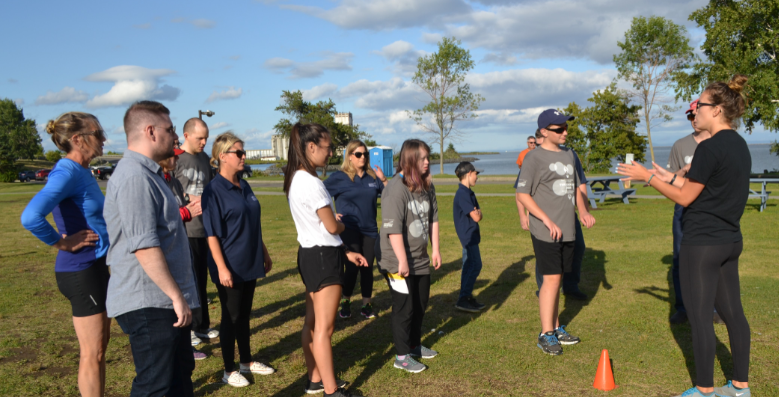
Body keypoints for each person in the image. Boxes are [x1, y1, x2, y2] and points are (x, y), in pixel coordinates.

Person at [618, 75, 752, 397]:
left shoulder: (708, 147)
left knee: (701, 319)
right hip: (729, 241)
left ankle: (705, 390)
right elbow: (701, 189)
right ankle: (740, 387)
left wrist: (647, 177)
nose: (696, 111)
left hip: (702, 244)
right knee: (734, 315)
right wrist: (668, 177)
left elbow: (686, 199)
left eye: (700, 105)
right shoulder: (740, 145)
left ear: (717, 110)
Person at [104, 100, 199, 396]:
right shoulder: (134, 176)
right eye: (170, 130)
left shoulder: (150, 174)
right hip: (150, 301)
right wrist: (176, 296)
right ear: (150, 131)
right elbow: (144, 245)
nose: (175, 137)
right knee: (156, 385)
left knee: (179, 377)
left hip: (164, 301)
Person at [20, 112, 111, 397]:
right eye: (97, 133)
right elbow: (31, 216)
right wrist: (61, 242)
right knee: (92, 353)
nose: (104, 138)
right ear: (77, 139)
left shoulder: (81, 171)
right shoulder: (67, 170)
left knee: (99, 351)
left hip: (95, 266)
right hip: (80, 269)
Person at [284, 123, 368, 397]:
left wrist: (345, 250)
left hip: (310, 255)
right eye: (327, 146)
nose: (331, 152)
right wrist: (341, 224)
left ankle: (315, 380)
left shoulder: (295, 178)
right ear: (311, 147)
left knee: (312, 322)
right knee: (325, 328)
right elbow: (331, 227)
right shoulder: (313, 183)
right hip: (323, 258)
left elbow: (318, 228)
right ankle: (331, 391)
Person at [516, 109, 595, 356]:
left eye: (566, 127)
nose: (565, 132)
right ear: (543, 132)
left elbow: (577, 188)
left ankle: (556, 326)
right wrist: (545, 220)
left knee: (557, 280)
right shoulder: (533, 158)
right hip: (545, 229)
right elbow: (522, 194)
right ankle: (545, 334)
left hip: (567, 228)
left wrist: (582, 211)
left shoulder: (570, 155)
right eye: (558, 129)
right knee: (550, 280)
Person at [201, 132, 275, 387]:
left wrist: (263, 251)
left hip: (250, 260)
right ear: (222, 156)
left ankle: (246, 361)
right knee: (230, 317)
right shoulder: (213, 190)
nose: (244, 157)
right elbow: (211, 234)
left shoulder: (244, 185)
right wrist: (221, 268)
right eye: (239, 153)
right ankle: (228, 369)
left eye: (244, 152)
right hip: (229, 264)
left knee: (244, 314)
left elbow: (252, 223)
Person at [377, 139, 442, 373]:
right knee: (405, 307)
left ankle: (414, 345)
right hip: (397, 259)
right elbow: (393, 229)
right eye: (423, 158)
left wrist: (435, 249)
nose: (427, 162)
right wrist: (402, 260)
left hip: (421, 257)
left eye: (428, 158)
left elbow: (433, 218)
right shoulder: (395, 189)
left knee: (421, 303)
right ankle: (402, 356)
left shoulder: (427, 185)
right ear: (410, 159)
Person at [666, 100, 720, 325]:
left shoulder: (720, 142)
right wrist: (685, 170)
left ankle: (714, 308)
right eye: (690, 116)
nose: (694, 120)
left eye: (696, 114)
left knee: (711, 259)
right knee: (680, 259)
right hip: (684, 207)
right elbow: (669, 178)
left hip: (711, 209)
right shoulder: (680, 145)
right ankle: (682, 307)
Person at [323, 140, 388, 319]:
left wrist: (383, 179)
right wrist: (331, 213)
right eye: (358, 154)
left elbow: (390, 195)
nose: (363, 157)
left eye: (365, 154)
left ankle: (366, 305)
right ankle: (346, 301)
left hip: (370, 229)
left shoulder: (372, 177)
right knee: (352, 266)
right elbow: (319, 194)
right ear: (350, 157)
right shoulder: (340, 177)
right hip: (348, 228)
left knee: (367, 266)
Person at [159, 147, 208, 361]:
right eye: (172, 155)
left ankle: (186, 344)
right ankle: (181, 346)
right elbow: (161, 218)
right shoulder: (157, 180)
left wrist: (191, 202)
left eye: (177, 154)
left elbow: (177, 206)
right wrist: (187, 212)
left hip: (179, 246)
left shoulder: (174, 181)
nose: (177, 158)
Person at [174, 118, 218, 345]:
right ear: (186, 135)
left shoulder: (204, 158)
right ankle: (188, 328)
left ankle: (202, 325)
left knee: (201, 279)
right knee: (187, 280)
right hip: (185, 229)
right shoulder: (176, 159)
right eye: (200, 138)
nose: (204, 142)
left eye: (206, 138)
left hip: (204, 228)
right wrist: (186, 200)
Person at [452, 161, 486, 312]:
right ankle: (463, 298)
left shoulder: (469, 192)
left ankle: (465, 297)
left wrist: (477, 212)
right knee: (475, 265)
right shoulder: (463, 194)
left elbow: (479, 213)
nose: (477, 177)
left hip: (472, 235)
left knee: (468, 266)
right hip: (468, 237)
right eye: (475, 174)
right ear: (468, 174)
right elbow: (477, 216)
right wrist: (477, 213)